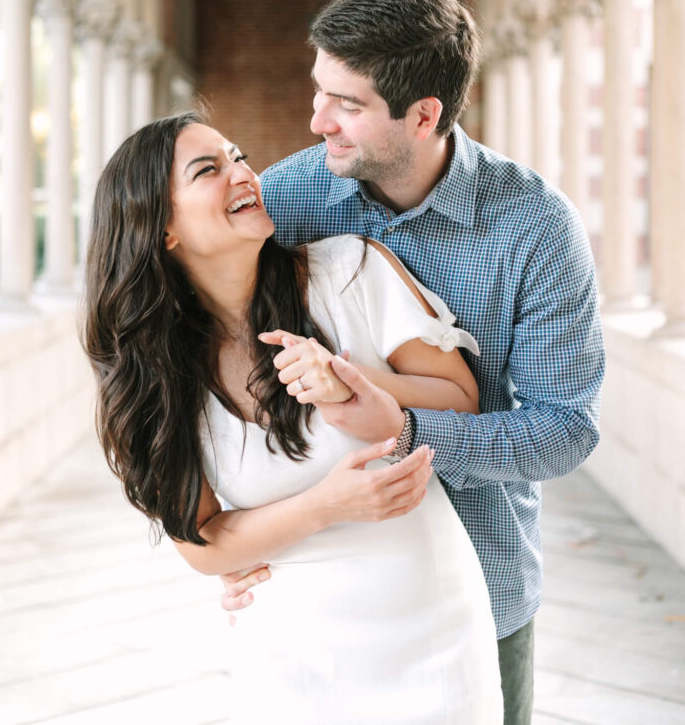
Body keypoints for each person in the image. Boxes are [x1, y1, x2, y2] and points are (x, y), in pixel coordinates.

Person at [222, 0, 605, 725]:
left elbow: (565, 428)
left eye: (348, 104)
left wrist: (405, 429)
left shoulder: (536, 229)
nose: (317, 121)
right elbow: (211, 358)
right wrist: (221, 536)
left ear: (424, 113)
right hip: (318, 597)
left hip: (482, 579)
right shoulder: (287, 202)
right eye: (318, 90)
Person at [83, 111, 504, 725]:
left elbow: (460, 397)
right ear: (162, 228)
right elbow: (202, 542)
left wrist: (351, 381)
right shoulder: (157, 373)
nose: (243, 174)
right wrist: (329, 505)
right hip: (289, 654)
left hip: (432, 630)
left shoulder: (350, 270)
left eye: (238, 155)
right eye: (209, 170)